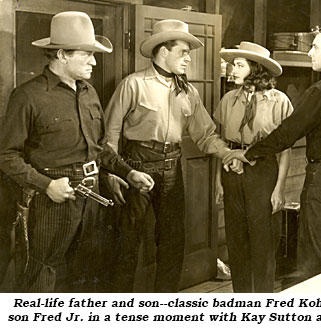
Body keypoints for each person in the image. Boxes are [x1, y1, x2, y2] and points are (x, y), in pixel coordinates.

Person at [0, 11, 152, 292]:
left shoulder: (89, 93)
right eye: (87, 54)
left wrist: (128, 172)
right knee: (42, 276)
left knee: (88, 274)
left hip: (92, 199)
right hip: (50, 202)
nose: (94, 61)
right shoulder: (28, 96)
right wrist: (47, 186)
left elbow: (99, 150)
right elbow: (6, 156)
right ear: (61, 54)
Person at [224, 26, 321, 281]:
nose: (310, 53)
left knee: (315, 260)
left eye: (316, 47)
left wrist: (249, 154)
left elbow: (287, 133)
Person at [104, 19, 233, 293]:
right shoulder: (133, 84)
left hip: (173, 169)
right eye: (182, 52)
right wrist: (113, 174)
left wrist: (228, 154)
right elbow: (110, 135)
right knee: (127, 243)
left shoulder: (188, 91)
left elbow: (206, 134)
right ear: (163, 51)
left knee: (173, 243)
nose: (188, 58)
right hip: (136, 167)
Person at [215, 42, 293, 292]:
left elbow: (285, 148)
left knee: (262, 241)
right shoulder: (229, 99)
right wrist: (218, 179)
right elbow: (224, 142)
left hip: (263, 173)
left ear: (256, 68)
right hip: (231, 172)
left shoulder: (278, 101)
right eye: (233, 64)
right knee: (236, 240)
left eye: (239, 65)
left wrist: (279, 189)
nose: (232, 69)